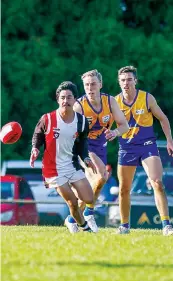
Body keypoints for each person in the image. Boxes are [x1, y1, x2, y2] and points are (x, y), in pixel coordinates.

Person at [29, 81, 97, 233]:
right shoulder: (48, 118)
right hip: (53, 168)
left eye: (69, 97)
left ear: (75, 100)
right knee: (72, 202)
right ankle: (85, 229)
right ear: (58, 99)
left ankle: (73, 220)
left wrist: (85, 158)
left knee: (89, 198)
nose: (66, 100)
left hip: (72, 165)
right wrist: (35, 148)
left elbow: (82, 143)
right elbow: (38, 134)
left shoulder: (81, 121)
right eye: (63, 97)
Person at [115, 65, 173, 236]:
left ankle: (166, 225)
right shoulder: (114, 102)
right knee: (124, 189)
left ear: (135, 81)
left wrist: (169, 139)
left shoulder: (147, 98)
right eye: (123, 80)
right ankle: (124, 226)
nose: (126, 83)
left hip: (147, 145)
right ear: (119, 83)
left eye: (129, 80)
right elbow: (103, 123)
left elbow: (163, 118)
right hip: (126, 147)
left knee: (157, 183)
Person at [72, 69, 129, 232]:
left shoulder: (110, 102)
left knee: (98, 181)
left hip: (101, 146)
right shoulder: (79, 106)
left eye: (93, 84)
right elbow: (71, 132)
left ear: (100, 85)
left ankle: (74, 217)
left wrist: (115, 132)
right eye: (87, 85)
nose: (90, 88)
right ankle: (89, 212)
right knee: (101, 175)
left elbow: (124, 125)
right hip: (84, 146)